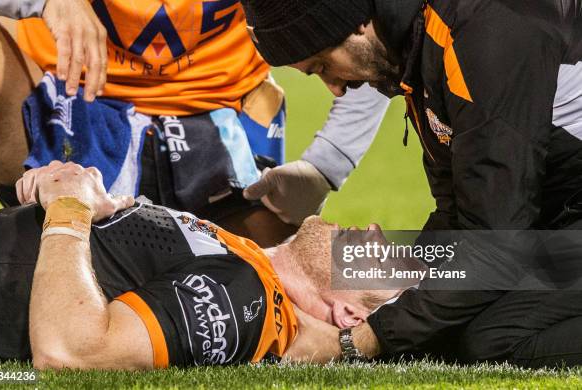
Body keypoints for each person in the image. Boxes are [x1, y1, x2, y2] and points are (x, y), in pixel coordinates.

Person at [239, 0, 582, 368]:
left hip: (560, 218)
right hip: (561, 216)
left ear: (354, 24)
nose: (335, 89)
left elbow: (495, 241)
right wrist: (405, 298)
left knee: (495, 338)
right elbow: (463, 210)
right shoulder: (422, 46)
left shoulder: (482, 29)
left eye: (323, 66)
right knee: (460, 323)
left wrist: (363, 339)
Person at [0, 0, 389, 248]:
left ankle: (450, 271)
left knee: (293, 284)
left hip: (219, 123)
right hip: (71, 106)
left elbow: (370, 25)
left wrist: (325, 166)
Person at [0, 161, 400, 368]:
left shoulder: (247, 298)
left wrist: (69, 205)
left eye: (389, 263)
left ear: (350, 314)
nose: (379, 231)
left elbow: (72, 350)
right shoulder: (246, 263)